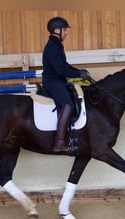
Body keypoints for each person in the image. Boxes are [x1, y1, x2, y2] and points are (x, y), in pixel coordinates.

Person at [42, 16, 91, 153]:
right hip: (52, 82)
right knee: (68, 104)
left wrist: (79, 72)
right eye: (65, 30)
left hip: (58, 81)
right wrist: (77, 74)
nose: (66, 32)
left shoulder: (56, 45)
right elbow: (60, 69)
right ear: (56, 30)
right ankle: (60, 142)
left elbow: (65, 65)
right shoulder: (52, 46)